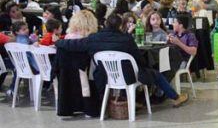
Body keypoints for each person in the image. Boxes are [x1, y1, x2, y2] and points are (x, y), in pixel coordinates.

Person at [55, 13, 189, 107]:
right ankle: (176, 98)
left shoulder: (94, 38)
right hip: (128, 76)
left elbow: (73, 44)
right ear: (120, 26)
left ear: (106, 24)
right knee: (154, 73)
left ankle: (129, 100)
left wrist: (58, 42)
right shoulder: (126, 39)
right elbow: (138, 59)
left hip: (105, 76)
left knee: (128, 68)